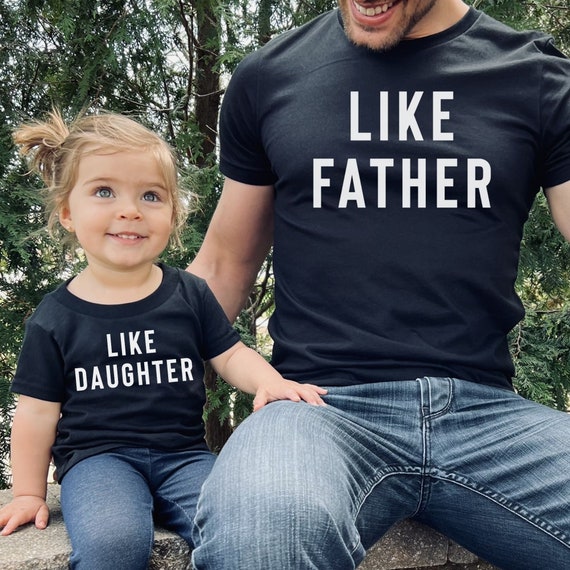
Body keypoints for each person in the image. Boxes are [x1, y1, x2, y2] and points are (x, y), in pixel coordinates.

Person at [187, 1, 570, 568]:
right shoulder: (270, 75)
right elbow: (222, 265)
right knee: (261, 535)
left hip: (490, 419)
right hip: (315, 410)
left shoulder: (534, 74)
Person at [0, 110, 327, 569]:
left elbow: (230, 353)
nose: (129, 209)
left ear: (173, 215)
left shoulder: (188, 294)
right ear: (68, 213)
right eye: (104, 191)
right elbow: (36, 413)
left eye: (151, 195)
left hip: (186, 459)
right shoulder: (55, 317)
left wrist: (268, 381)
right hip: (99, 464)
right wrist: (29, 493)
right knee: (113, 544)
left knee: (249, 523)